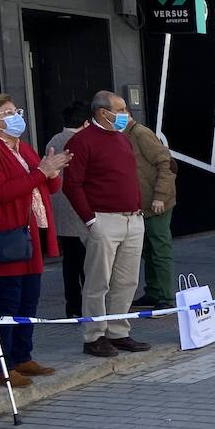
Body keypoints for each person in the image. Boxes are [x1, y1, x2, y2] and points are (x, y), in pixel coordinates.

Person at [0, 95, 71, 388]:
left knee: (29, 300)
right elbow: (3, 191)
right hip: (6, 237)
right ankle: (0, 367)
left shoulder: (23, 147)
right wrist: (41, 172)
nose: (16, 117)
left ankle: (22, 356)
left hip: (30, 234)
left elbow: (49, 186)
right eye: (8, 113)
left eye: (16, 111)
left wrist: (53, 171)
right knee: (7, 304)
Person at [64, 91, 151, 356]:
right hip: (104, 220)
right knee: (97, 282)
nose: (126, 114)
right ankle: (93, 336)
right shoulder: (82, 141)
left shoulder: (121, 138)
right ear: (103, 112)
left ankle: (118, 331)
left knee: (126, 281)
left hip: (132, 218)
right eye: (121, 109)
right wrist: (91, 220)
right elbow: (72, 184)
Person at [126, 109, 177, 310]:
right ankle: (154, 292)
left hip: (156, 204)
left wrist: (160, 196)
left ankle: (165, 297)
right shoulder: (126, 135)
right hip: (142, 205)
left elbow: (167, 163)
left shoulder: (140, 133)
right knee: (148, 250)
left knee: (159, 249)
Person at [46, 103, 88, 317]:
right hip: (80, 211)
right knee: (87, 263)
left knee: (70, 262)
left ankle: (72, 307)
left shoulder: (53, 140)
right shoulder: (82, 141)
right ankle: (88, 306)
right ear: (86, 122)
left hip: (60, 211)